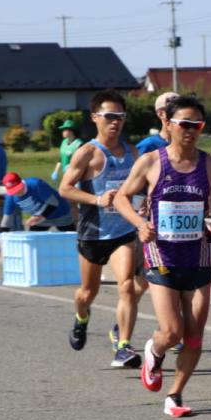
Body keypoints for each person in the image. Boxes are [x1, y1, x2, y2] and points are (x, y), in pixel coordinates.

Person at [114, 95, 211, 417]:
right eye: (185, 124)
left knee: (194, 337)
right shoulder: (152, 162)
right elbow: (122, 198)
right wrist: (140, 225)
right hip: (161, 256)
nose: (191, 130)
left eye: (197, 125)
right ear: (168, 124)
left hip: (196, 258)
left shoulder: (210, 165)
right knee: (172, 332)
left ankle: (175, 395)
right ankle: (154, 351)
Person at [58, 90, 147, 369]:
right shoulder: (87, 152)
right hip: (93, 233)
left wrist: (143, 206)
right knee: (87, 292)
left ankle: (123, 346)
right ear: (95, 117)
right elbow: (65, 189)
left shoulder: (132, 152)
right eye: (109, 116)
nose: (115, 122)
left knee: (127, 288)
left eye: (120, 116)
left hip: (122, 231)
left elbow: (143, 187)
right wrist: (97, 199)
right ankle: (81, 317)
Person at [0, 172, 75, 234]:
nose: (17, 192)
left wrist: (39, 217)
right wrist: (0, 240)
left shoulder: (36, 184)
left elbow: (54, 203)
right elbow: (6, 221)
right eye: (13, 191)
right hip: (39, 220)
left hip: (60, 213)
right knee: (33, 241)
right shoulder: (10, 196)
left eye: (18, 188)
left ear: (21, 182)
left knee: (73, 240)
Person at [136, 91, 178, 156]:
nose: (178, 114)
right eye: (172, 110)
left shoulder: (186, 146)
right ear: (160, 114)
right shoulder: (147, 146)